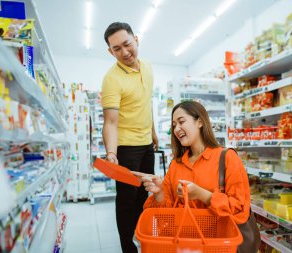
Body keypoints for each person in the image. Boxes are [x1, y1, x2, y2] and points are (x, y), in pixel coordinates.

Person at [132, 100, 250, 239]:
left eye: (181, 122)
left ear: (200, 122)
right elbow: (165, 215)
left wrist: (203, 195)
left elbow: (240, 208)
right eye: (174, 125)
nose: (176, 129)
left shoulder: (227, 158)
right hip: (182, 242)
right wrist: (159, 193)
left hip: (217, 243)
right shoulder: (176, 164)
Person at [101, 22, 158, 253]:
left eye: (127, 44)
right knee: (127, 201)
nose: (125, 52)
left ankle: (142, 240)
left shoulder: (148, 67)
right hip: (125, 149)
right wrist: (111, 154)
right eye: (117, 49)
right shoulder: (112, 79)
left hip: (146, 145)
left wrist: (153, 133)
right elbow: (110, 122)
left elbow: (146, 104)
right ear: (110, 52)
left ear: (136, 39)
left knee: (146, 197)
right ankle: (128, 248)